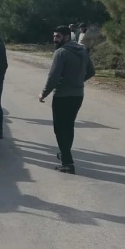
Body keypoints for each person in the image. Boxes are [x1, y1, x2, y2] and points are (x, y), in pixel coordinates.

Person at [39, 24, 95, 174]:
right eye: (54, 36)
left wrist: (44, 94)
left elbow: (53, 77)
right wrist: (77, 82)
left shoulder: (61, 53)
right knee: (68, 127)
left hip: (62, 96)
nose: (55, 39)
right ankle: (64, 153)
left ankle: (67, 162)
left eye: (58, 36)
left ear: (66, 37)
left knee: (59, 129)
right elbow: (91, 71)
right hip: (77, 95)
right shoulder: (82, 50)